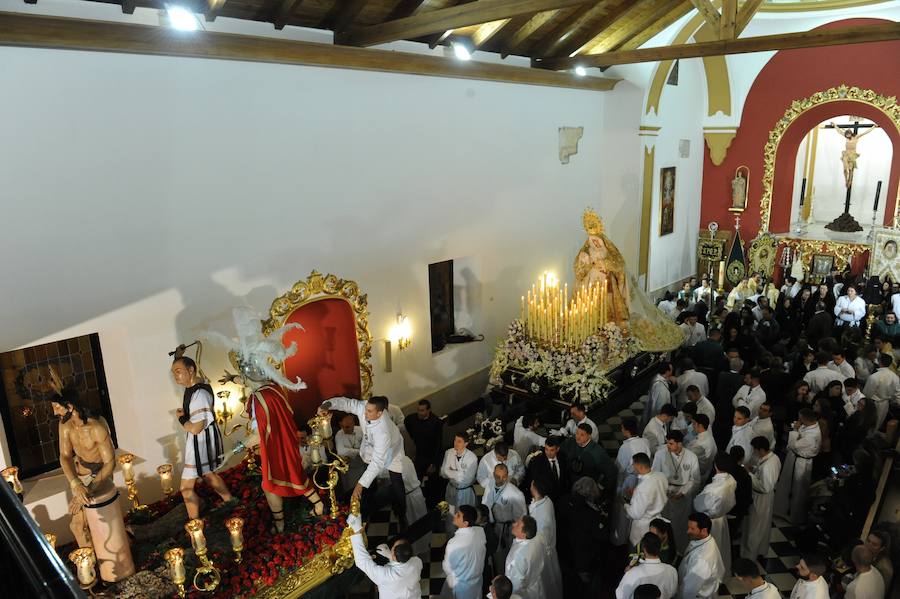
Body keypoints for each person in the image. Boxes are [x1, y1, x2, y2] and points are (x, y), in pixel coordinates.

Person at [51, 383, 135, 582]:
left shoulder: (96, 427)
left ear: (70, 407)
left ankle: (108, 565)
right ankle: (90, 570)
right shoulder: (64, 425)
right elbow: (64, 456)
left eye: (56, 407)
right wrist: (76, 484)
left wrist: (88, 489)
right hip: (79, 478)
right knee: (78, 526)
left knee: (88, 522)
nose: (54, 412)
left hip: (100, 477)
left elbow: (109, 463)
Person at [322, 395, 406, 524]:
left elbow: (377, 463)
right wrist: (327, 404)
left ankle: (402, 515)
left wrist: (360, 485)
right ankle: (367, 510)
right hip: (371, 447)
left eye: (369, 411)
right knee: (369, 482)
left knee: (396, 482)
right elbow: (347, 403)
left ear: (380, 413)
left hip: (392, 450)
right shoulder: (365, 408)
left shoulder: (383, 432)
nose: (364, 413)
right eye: (366, 409)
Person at [171, 357, 234, 520]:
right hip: (202, 440)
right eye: (173, 373)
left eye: (178, 372)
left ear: (191, 370)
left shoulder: (199, 394)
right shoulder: (194, 388)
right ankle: (230, 501)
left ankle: (195, 524)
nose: (175, 376)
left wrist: (181, 418)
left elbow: (196, 428)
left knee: (186, 488)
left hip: (200, 442)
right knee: (208, 474)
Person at [346, 514, 421, 599]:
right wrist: (390, 556)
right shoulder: (417, 562)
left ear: (394, 556)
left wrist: (356, 530)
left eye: (392, 548)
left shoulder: (385, 576)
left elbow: (362, 561)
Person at [652, 431, 700, 553]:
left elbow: (695, 480)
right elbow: (655, 474)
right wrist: (664, 489)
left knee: (681, 525)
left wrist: (683, 493)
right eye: (667, 443)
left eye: (671, 444)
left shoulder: (691, 457)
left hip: (683, 493)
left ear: (679, 444)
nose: (668, 446)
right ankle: (665, 550)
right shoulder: (660, 454)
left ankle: (680, 549)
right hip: (665, 493)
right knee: (664, 524)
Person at [774, 408, 821, 525]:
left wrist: (795, 430)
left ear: (804, 419)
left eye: (800, 418)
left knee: (798, 489)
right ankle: (783, 509)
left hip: (801, 463)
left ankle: (795, 516)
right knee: (787, 484)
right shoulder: (809, 426)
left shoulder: (812, 435)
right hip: (795, 458)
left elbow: (793, 445)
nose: (799, 420)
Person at [693, 454, 737, 575]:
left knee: (710, 551)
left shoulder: (712, 489)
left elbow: (698, 505)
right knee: (721, 548)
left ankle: (710, 574)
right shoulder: (731, 479)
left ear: (715, 466)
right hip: (722, 518)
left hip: (710, 520)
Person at [740, 436, 781, 562]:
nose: (754, 452)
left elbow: (765, 486)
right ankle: (759, 550)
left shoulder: (769, 465)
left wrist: (749, 474)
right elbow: (762, 474)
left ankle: (749, 556)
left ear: (761, 449)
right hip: (763, 498)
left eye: (755, 450)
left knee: (755, 527)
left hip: (761, 498)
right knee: (760, 525)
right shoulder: (772, 457)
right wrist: (754, 469)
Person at [482, 463, 528, 572]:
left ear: (507, 476)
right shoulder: (490, 485)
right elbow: (485, 503)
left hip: (507, 530)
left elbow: (521, 516)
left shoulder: (515, 494)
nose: (500, 479)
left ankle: (504, 581)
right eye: (498, 476)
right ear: (493, 474)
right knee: (493, 556)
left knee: (504, 558)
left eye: (504, 477)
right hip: (491, 526)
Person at [612, 419, 651, 546]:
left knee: (623, 510)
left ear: (625, 430)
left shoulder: (625, 447)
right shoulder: (644, 442)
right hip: (642, 479)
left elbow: (620, 467)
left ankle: (620, 538)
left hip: (628, 480)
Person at [441, 505, 487, 599]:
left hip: (461, 586)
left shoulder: (453, 543)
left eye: (458, 515)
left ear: (465, 523)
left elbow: (447, 568)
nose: (454, 516)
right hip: (476, 581)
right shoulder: (480, 532)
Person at [404, 399, 444, 505]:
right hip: (420, 455)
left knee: (433, 482)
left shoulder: (436, 422)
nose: (419, 413)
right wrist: (414, 436)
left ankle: (434, 503)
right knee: (416, 479)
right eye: (418, 410)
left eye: (422, 410)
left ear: (428, 410)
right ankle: (418, 503)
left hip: (432, 455)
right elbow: (406, 421)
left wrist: (434, 463)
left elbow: (438, 444)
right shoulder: (412, 418)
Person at [677, 512, 725, 599]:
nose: (688, 531)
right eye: (688, 527)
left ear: (704, 530)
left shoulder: (702, 561)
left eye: (692, 528)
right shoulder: (707, 540)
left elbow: (690, 589)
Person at [616, 532, 678, 599]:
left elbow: (621, 596)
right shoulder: (672, 571)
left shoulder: (632, 574)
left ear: (644, 549)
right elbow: (673, 593)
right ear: (660, 548)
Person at [625, 453, 669, 548]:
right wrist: (636, 495)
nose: (633, 467)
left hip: (643, 527)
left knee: (639, 551)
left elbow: (635, 514)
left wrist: (625, 505)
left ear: (639, 466)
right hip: (657, 522)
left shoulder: (643, 488)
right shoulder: (660, 476)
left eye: (633, 465)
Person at [562, 423, 617, 497]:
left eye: (582, 435)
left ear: (589, 436)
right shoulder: (570, 442)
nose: (578, 437)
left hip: (585, 491)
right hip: (568, 485)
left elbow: (611, 471)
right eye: (577, 433)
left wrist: (600, 487)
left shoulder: (598, 452)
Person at [528, 480, 562, 599]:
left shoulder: (542, 512)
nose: (530, 486)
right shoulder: (546, 500)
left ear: (535, 489)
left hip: (542, 553)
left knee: (546, 584)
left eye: (532, 485)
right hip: (543, 550)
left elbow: (542, 537)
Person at [505, 516, 545, 599]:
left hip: (523, 594)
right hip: (535, 585)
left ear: (523, 535)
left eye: (518, 525)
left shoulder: (518, 556)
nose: (514, 524)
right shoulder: (538, 539)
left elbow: (515, 584)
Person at [441, 432, 479, 512]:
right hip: (450, 489)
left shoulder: (472, 458)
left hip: (464, 492)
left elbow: (465, 480)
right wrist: (459, 473)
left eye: (459, 441)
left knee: (464, 515)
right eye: (455, 440)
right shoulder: (449, 452)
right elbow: (443, 472)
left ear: (466, 444)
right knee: (449, 515)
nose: (455, 443)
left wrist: (450, 471)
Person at [863, 352, 900, 429]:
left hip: (872, 403)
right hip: (885, 404)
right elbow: (898, 394)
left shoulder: (874, 377)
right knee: (878, 424)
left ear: (880, 362)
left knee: (868, 423)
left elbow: (867, 393)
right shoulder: (895, 377)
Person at [523, 435, 565, 502]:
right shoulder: (537, 462)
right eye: (546, 449)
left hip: (561, 498)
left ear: (557, 449)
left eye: (552, 450)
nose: (548, 453)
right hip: (545, 499)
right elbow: (536, 483)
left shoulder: (563, 458)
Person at [642, 362, 676, 427]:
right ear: (667, 372)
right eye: (671, 370)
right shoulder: (661, 388)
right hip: (658, 419)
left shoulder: (657, 377)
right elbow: (660, 407)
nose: (672, 372)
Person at [686, 414, 717, 481]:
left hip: (700, 473)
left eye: (694, 424)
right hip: (708, 468)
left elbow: (686, 456)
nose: (692, 426)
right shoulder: (709, 435)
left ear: (700, 425)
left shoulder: (700, 444)